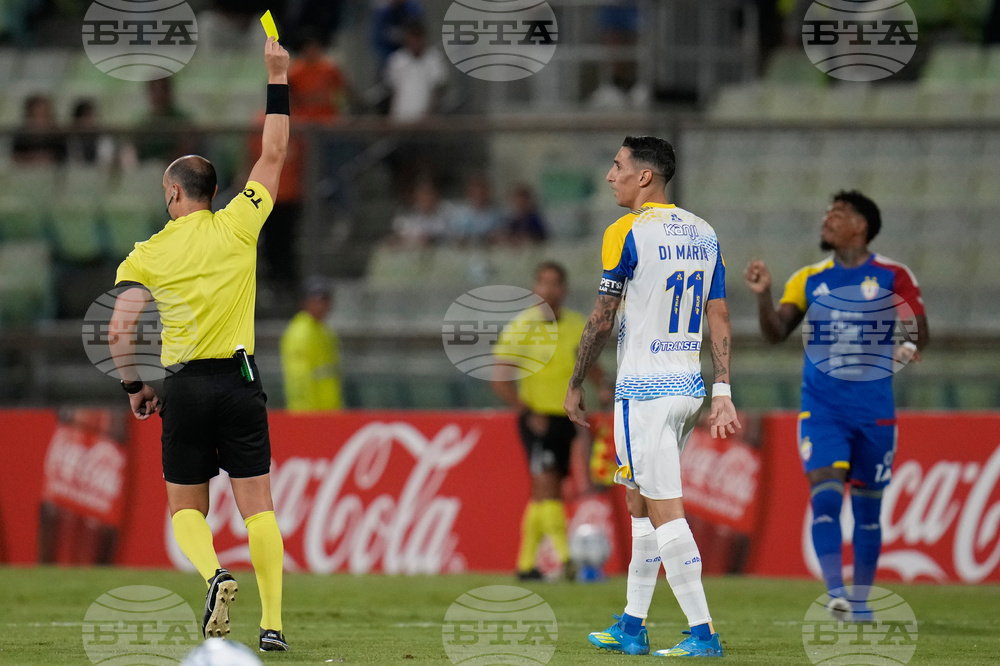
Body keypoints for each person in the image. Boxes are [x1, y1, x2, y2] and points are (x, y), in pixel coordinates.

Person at [107, 37, 291, 652]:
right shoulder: (241, 223)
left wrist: (136, 386)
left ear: (174, 194)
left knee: (186, 505)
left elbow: (118, 328)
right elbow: (274, 150)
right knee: (258, 506)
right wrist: (276, 76)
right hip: (240, 379)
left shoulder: (150, 252)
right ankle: (272, 627)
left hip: (182, 385)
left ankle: (214, 575)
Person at [564, 136, 739, 658]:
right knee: (639, 504)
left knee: (664, 512)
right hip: (685, 386)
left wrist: (576, 380)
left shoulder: (627, 231)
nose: (610, 175)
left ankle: (703, 633)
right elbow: (720, 316)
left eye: (618, 166)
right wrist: (723, 388)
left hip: (643, 389)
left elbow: (601, 317)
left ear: (646, 177)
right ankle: (632, 626)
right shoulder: (704, 233)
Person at [744, 191, 929, 621]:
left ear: (861, 226)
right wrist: (763, 295)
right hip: (823, 409)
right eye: (827, 213)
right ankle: (836, 595)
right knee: (825, 492)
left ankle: (861, 602)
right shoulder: (808, 278)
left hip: (875, 411)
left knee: (868, 509)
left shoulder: (892, 275)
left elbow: (918, 328)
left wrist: (906, 344)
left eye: (838, 214)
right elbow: (776, 332)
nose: (827, 220)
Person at [491, 261, 611, 581]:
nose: (549, 289)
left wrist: (602, 385)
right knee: (546, 485)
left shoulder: (575, 324)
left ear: (564, 288)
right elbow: (499, 377)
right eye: (543, 282)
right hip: (538, 419)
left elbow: (590, 361)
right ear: (535, 287)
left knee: (546, 491)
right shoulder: (521, 326)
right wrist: (525, 410)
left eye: (555, 283)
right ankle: (566, 558)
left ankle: (526, 565)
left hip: (567, 419)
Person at [280, 277, 343, 411]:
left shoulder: (326, 332)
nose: (324, 306)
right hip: (310, 413)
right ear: (305, 302)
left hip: (330, 411)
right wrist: (302, 414)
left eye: (326, 300)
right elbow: (298, 378)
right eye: (318, 300)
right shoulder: (299, 333)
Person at [384, 20, 448, 123]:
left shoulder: (434, 59)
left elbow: (438, 91)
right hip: (401, 120)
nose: (414, 41)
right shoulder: (397, 60)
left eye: (417, 37)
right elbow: (395, 92)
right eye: (411, 37)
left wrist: (428, 115)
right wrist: (392, 117)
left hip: (426, 123)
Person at [12, 94, 66, 165]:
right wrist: (32, 158)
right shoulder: (21, 134)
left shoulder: (58, 135)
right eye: (37, 114)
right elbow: (16, 157)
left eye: (44, 114)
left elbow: (62, 157)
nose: (40, 119)